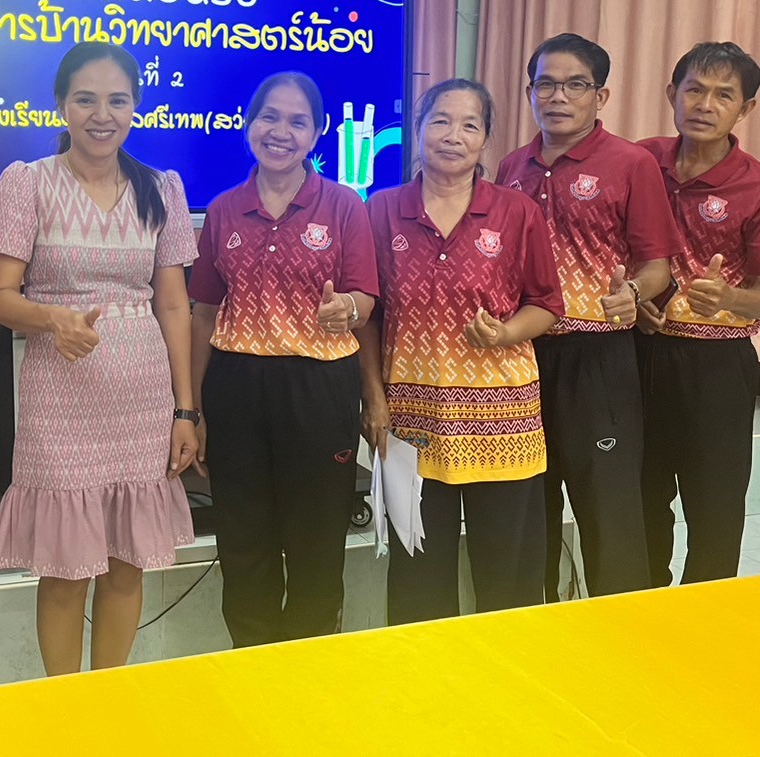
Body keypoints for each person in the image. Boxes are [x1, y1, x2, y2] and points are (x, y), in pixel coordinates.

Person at [0, 42, 198, 675]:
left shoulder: (161, 189)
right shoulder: (27, 183)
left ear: (135, 107)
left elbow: (174, 305)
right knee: (65, 569)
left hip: (142, 399)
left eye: (117, 101)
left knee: (127, 563)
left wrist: (185, 410)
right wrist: (53, 319)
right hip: (60, 395)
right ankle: (64, 707)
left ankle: (107, 700)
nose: (102, 115)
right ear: (61, 105)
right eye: (85, 99)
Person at [362, 80, 563, 622]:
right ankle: (425, 669)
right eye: (440, 121)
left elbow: (547, 304)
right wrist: (374, 399)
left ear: (486, 140)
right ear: (418, 130)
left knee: (509, 575)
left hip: (504, 421)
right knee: (418, 578)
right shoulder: (382, 210)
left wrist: (505, 333)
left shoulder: (517, 212)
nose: (453, 135)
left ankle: (509, 666)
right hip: (413, 421)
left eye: (470, 125)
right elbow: (370, 316)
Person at [190, 71, 379, 647]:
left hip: (319, 386)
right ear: (249, 124)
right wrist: (192, 409)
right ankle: (253, 663)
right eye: (269, 116)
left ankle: (309, 668)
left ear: (318, 133)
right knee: (243, 539)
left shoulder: (344, 205)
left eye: (298, 121)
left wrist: (346, 309)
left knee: (316, 539)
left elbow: (365, 300)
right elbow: (203, 313)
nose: (281, 131)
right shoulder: (223, 210)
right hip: (236, 386)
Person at [496, 33, 679, 600]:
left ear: (601, 97)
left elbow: (657, 265)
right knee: (529, 504)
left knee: (608, 506)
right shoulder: (511, 167)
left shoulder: (631, 164)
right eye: (546, 84)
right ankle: (536, 619)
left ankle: (616, 627)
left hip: (598, 357)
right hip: (522, 358)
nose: (558, 96)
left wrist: (634, 295)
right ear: (530, 92)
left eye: (575, 85)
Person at [637, 42, 760, 585]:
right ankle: (644, 605)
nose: (705, 105)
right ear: (672, 94)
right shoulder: (640, 163)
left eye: (724, 95)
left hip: (717, 365)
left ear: (745, 108)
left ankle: (706, 613)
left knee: (715, 505)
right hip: (637, 353)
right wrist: (634, 302)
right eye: (694, 90)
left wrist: (728, 298)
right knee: (639, 496)